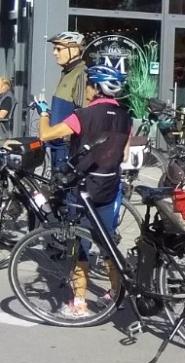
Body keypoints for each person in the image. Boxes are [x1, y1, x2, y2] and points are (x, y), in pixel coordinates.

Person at [32, 65, 131, 318]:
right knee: (108, 242)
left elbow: (46, 135)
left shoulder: (84, 115)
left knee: (81, 245)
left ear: (96, 88)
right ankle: (116, 293)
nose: (85, 90)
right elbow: (124, 153)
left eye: (88, 85)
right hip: (110, 185)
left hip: (85, 187)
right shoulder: (125, 117)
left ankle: (79, 303)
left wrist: (44, 112)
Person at [46, 31, 88, 173]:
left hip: (66, 145)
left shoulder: (81, 73)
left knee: (65, 186)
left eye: (58, 48)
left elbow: (82, 111)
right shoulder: (67, 72)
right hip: (57, 141)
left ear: (75, 50)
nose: (54, 53)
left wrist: (69, 139)